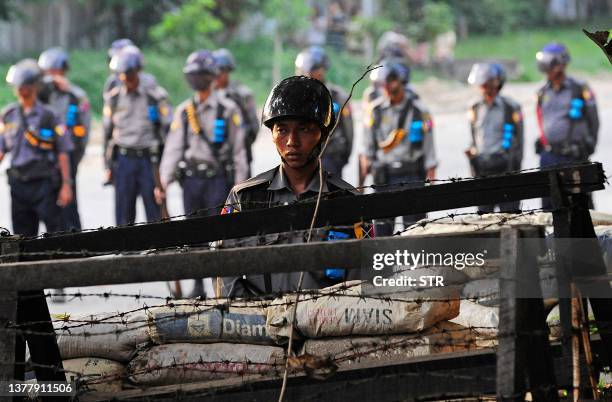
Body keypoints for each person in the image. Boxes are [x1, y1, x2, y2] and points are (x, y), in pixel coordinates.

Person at [219, 76, 370, 297]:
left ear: (323, 134)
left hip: (327, 322)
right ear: (272, 134)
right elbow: (226, 273)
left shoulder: (348, 202)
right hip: (259, 322)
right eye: (282, 130)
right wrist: (254, 318)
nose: (292, 141)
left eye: (304, 129)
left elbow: (361, 279)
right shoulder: (246, 198)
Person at [157, 50, 248, 297]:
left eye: (201, 75)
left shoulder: (228, 110)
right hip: (192, 182)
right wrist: (164, 181)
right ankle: (197, 285)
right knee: (193, 234)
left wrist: (241, 186)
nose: (196, 80)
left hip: (218, 180)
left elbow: (239, 151)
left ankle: (221, 285)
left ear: (211, 77)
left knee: (219, 234)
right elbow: (173, 149)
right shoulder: (184, 112)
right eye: (193, 75)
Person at [361, 60, 437, 236]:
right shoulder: (375, 110)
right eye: (384, 83)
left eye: (391, 81)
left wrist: (431, 173)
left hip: (411, 176)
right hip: (383, 178)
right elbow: (368, 147)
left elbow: (429, 146)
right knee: (382, 233)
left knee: (415, 232)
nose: (387, 87)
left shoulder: (419, 111)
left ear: (402, 82)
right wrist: (368, 170)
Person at [0, 59, 73, 237]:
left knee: (56, 237)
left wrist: (66, 185)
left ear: (32, 86)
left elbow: (63, 152)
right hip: (19, 186)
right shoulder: (8, 116)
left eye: (21, 84)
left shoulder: (49, 116)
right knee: (23, 240)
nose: (18, 89)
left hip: (45, 184)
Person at [103, 45, 171, 225]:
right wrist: (108, 165)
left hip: (149, 160)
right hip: (124, 160)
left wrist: (166, 167)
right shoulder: (114, 98)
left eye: (130, 74)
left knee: (155, 213)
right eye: (122, 75)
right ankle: (126, 252)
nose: (126, 79)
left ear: (138, 72)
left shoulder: (154, 97)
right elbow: (108, 133)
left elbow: (167, 129)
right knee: (124, 215)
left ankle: (159, 251)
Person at [534, 43, 599, 209]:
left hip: (575, 155)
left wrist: (588, 146)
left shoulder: (579, 88)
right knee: (550, 205)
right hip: (549, 155)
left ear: (562, 64)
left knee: (581, 204)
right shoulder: (542, 91)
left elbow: (594, 121)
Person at [37, 47, 91, 230]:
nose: (50, 76)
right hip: (43, 160)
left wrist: (75, 158)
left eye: (54, 72)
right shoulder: (40, 93)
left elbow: (84, 130)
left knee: (69, 206)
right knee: (47, 207)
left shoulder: (76, 95)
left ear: (63, 71)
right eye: (46, 72)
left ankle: (76, 247)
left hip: (68, 156)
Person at [465, 62, 523, 213]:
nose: (483, 86)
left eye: (487, 82)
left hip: (506, 170)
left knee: (510, 217)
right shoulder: (475, 107)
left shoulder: (511, 107)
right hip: (482, 171)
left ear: (497, 82)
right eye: (481, 83)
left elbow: (519, 142)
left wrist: (515, 171)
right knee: (484, 221)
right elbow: (473, 137)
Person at [295, 46, 353, 178]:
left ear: (321, 72)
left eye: (305, 71)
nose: (300, 75)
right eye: (300, 71)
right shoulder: (294, 96)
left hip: (330, 160)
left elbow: (349, 133)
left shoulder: (338, 96)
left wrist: (341, 160)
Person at [213, 48, 259, 176]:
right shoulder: (208, 96)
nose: (218, 75)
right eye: (215, 72)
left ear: (228, 71)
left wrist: (239, 144)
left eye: (222, 71)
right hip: (215, 162)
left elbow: (253, 128)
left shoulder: (242, 95)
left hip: (241, 157)